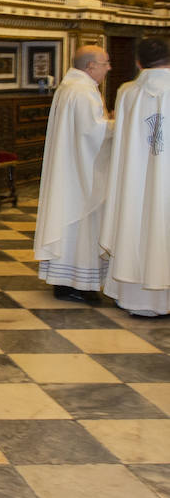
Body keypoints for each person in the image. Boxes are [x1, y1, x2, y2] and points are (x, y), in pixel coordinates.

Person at [33, 46, 114, 305]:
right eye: (105, 63)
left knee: (69, 222)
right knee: (81, 223)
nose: (108, 67)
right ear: (90, 66)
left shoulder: (71, 87)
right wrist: (118, 122)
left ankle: (64, 281)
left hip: (70, 168)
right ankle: (79, 283)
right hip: (80, 173)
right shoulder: (82, 93)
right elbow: (93, 133)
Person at [99, 35, 170, 316]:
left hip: (135, 179)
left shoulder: (128, 92)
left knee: (136, 222)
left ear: (139, 62)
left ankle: (135, 299)